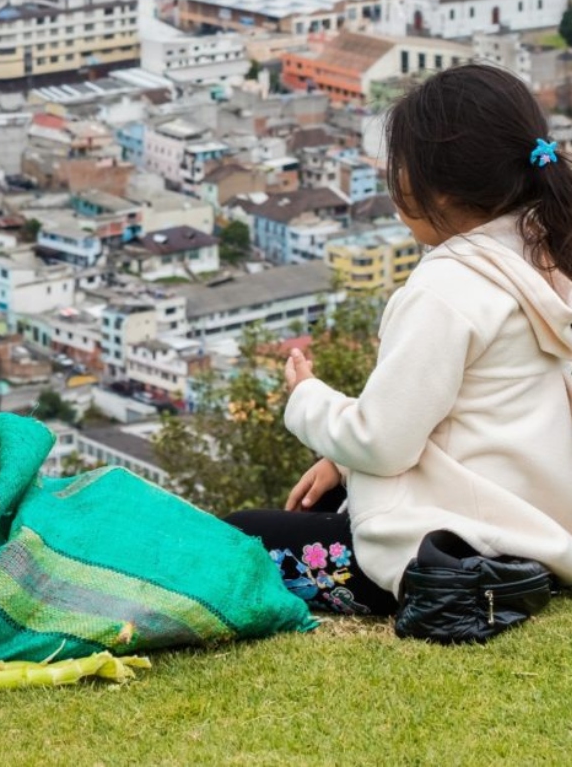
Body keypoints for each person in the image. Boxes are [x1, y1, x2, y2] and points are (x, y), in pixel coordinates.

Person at [226, 63, 572, 616]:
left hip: (457, 555)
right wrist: (341, 463)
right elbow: (469, 411)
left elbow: (383, 444)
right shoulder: (546, 251)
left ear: (432, 184)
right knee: (331, 493)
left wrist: (306, 398)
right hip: (540, 523)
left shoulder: (448, 286)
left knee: (237, 538)